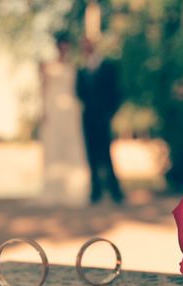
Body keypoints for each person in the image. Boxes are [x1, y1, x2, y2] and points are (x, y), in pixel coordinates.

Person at [38, 32, 90, 207]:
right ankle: (53, 190)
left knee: (72, 147)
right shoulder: (47, 66)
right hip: (54, 108)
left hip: (70, 109)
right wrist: (43, 110)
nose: (64, 49)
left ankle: (75, 191)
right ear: (57, 46)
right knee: (54, 145)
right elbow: (43, 89)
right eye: (62, 45)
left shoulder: (74, 67)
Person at [76, 38, 124, 204]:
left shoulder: (107, 66)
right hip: (88, 117)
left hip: (103, 117)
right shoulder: (81, 71)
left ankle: (115, 192)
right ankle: (95, 192)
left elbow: (116, 91)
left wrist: (110, 113)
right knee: (91, 155)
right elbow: (79, 95)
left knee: (106, 153)